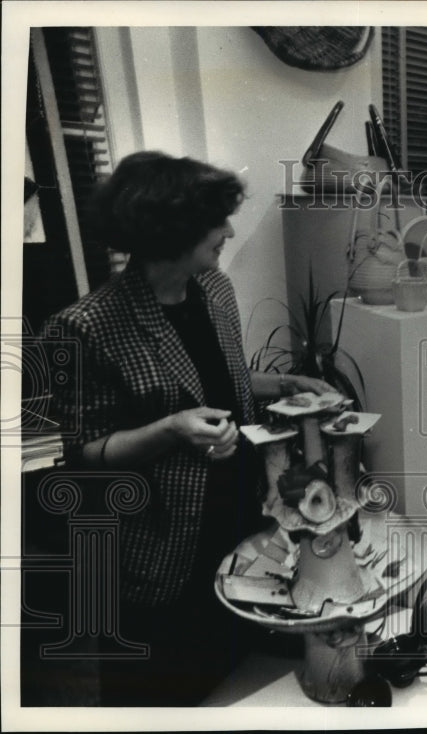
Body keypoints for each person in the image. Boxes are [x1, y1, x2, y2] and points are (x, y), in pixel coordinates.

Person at [44, 151, 333, 705]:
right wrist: (172, 429)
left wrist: (286, 383)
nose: (229, 230)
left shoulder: (216, 291)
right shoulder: (86, 327)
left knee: (247, 680)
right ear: (170, 228)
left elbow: (220, 378)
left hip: (243, 523)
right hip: (161, 551)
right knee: (170, 693)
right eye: (216, 220)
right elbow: (85, 453)